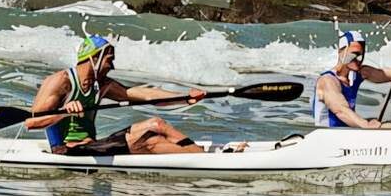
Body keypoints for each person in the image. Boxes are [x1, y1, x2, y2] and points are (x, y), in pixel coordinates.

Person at [25, 35, 239, 154]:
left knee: (156, 124)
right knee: (150, 142)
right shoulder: (61, 82)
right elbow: (32, 122)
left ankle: (199, 153)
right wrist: (64, 112)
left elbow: (143, 94)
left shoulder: (102, 84)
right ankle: (204, 158)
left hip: (93, 144)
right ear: (94, 58)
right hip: (68, 151)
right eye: (109, 59)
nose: (112, 64)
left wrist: (185, 97)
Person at [310, 29, 391, 129]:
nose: (357, 59)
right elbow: (341, 110)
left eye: (360, 55)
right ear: (340, 52)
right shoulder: (327, 81)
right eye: (353, 54)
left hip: (345, 136)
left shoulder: (359, 73)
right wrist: (367, 125)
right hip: (326, 138)